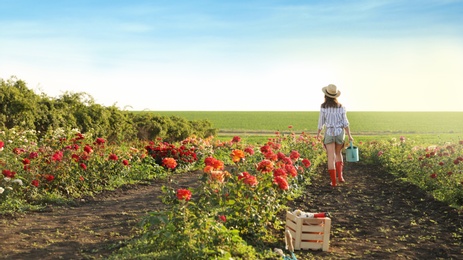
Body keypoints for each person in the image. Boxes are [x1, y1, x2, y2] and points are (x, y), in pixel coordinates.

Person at [316, 84, 353, 187]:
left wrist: (318, 134)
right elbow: (345, 122)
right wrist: (349, 135)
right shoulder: (341, 107)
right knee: (338, 153)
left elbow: (321, 122)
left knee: (331, 156)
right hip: (340, 132)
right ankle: (340, 177)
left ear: (326, 95)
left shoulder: (323, 107)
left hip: (329, 132)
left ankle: (333, 182)